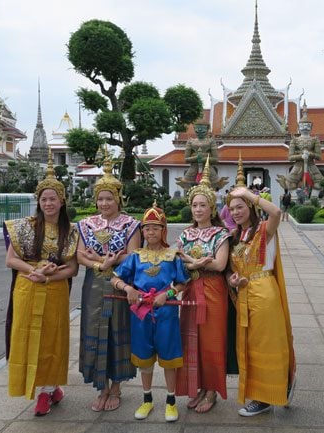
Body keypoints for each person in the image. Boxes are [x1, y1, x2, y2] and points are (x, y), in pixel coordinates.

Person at [3, 151, 79, 416]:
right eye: (44, 199)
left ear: (62, 201)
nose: (49, 203)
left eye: (53, 199)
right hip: (27, 287)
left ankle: (46, 392)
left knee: (51, 341)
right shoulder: (24, 227)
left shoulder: (70, 231)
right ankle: (46, 389)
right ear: (38, 201)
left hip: (55, 290)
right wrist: (33, 270)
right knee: (25, 337)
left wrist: (47, 276)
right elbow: (10, 260)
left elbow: (72, 269)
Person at [111, 202, 190, 422]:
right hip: (140, 315)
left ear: (163, 230)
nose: (150, 232)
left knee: (168, 358)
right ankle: (146, 400)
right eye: (146, 228)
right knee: (144, 359)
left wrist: (170, 294)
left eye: (155, 227)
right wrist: (128, 288)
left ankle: (171, 402)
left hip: (166, 314)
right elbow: (114, 277)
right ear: (142, 231)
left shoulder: (172, 255)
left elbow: (183, 283)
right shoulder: (135, 256)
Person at [226, 174, 296, 417]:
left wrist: (247, 193)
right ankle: (261, 394)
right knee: (249, 347)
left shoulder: (263, 230)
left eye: (240, 206)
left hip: (264, 293)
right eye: (232, 208)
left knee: (267, 345)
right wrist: (233, 280)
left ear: (251, 206)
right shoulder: (235, 237)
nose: (236, 212)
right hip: (245, 295)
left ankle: (268, 395)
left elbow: (276, 212)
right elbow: (233, 272)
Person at [76, 155, 141, 412]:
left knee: (117, 330)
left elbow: (133, 255)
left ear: (119, 199)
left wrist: (105, 260)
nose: (105, 203)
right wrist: (98, 265)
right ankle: (101, 387)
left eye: (109, 198)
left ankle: (116, 387)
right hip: (94, 285)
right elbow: (80, 254)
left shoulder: (130, 224)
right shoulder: (86, 224)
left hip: (121, 282)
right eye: (101, 198)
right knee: (94, 330)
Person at [175, 156, 231, 413]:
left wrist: (193, 263)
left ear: (212, 207)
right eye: (194, 205)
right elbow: (179, 265)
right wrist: (198, 263)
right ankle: (197, 386)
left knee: (212, 341)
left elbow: (219, 266)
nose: (198, 209)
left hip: (212, 292)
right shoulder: (186, 234)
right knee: (191, 340)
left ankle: (211, 391)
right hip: (190, 290)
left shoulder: (221, 234)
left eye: (203, 205)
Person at [276, 103, 323, 195]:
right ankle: (294, 199)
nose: (305, 127)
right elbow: (290, 157)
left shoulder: (314, 140)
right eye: (303, 125)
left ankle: (314, 198)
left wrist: (310, 154)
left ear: (311, 127)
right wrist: (301, 156)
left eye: (307, 125)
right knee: (290, 183)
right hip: (298, 165)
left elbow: (319, 156)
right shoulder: (295, 140)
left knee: (319, 183)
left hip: (310, 164)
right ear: (299, 127)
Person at [176, 118, 220, 189]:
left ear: (207, 129)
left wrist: (203, 159)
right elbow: (186, 159)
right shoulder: (191, 141)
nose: (199, 131)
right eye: (197, 129)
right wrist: (196, 158)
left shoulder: (211, 142)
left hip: (208, 170)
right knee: (192, 189)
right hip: (193, 170)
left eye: (202, 129)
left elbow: (215, 159)